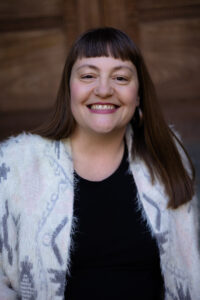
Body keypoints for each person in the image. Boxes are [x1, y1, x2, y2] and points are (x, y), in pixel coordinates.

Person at [0, 27, 199, 300]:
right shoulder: (15, 166)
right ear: (68, 89)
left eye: (120, 77)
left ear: (138, 94)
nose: (104, 89)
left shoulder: (166, 155)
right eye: (88, 76)